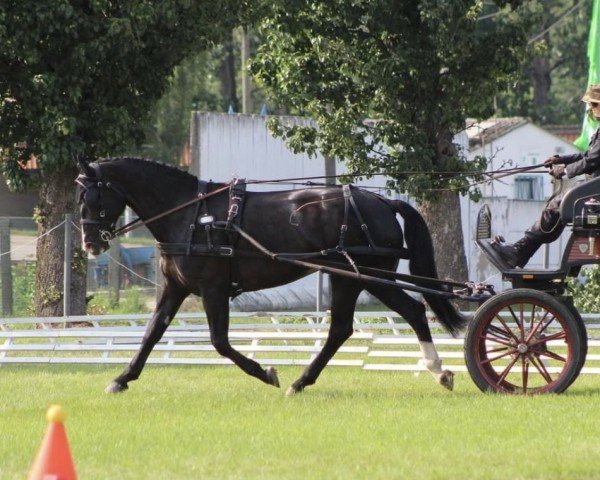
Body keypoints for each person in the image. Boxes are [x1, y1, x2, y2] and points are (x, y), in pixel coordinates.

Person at [492, 84, 600, 268]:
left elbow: (591, 162)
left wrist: (564, 171)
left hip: (595, 189)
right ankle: (520, 252)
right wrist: (561, 160)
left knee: (558, 204)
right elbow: (588, 156)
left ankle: (520, 251)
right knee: (557, 205)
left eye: (594, 104)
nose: (590, 108)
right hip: (593, 186)